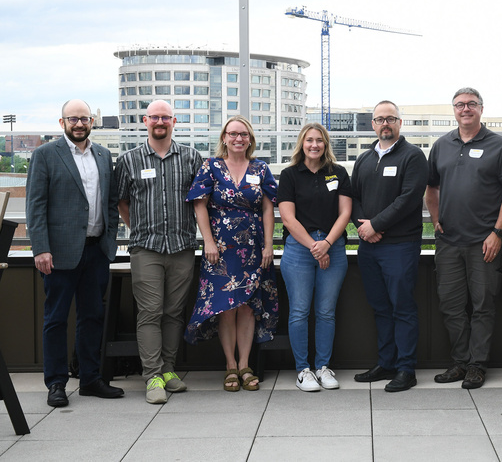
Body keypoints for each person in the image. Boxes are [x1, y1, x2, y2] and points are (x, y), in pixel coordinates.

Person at [26, 99, 124, 407]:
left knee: (92, 317)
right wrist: (41, 248)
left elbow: (110, 203)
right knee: (56, 319)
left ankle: (90, 379)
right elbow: (35, 206)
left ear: (92, 121)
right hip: (58, 254)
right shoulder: (45, 155)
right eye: (73, 119)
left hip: (96, 252)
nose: (79, 124)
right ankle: (56, 383)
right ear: (62, 123)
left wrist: (109, 240)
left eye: (84, 118)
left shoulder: (103, 155)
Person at [425, 88, 502, 389]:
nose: (465, 109)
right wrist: (436, 219)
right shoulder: (441, 145)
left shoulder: (499, 146)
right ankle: (459, 362)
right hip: (449, 242)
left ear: (481, 108)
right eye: (460, 105)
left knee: (483, 306)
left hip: (485, 242)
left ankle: (477, 366)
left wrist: (498, 232)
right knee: (451, 306)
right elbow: (431, 187)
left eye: (471, 104)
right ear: (453, 110)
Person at [115, 100, 203, 404]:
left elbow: (200, 201)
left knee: (174, 312)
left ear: (174, 121)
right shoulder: (129, 160)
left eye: (166, 117)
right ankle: (152, 376)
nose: (160, 122)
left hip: (182, 247)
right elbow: (122, 201)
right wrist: (140, 228)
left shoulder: (191, 157)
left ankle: (168, 370)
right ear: (145, 121)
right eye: (155, 117)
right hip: (146, 249)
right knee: (150, 312)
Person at [185, 116, 279, 392]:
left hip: (253, 248)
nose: (238, 138)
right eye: (233, 134)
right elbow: (199, 205)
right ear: (224, 138)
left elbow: (268, 208)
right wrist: (208, 242)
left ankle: (245, 365)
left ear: (250, 139)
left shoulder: (261, 168)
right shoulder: (211, 166)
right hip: (220, 250)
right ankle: (230, 365)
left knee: (247, 307)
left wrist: (269, 245)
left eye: (244, 134)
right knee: (226, 308)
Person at [351, 100, 428, 393]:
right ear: (373, 124)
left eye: (391, 118)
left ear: (399, 123)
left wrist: (376, 225)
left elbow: (408, 199)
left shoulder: (413, 156)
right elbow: (353, 196)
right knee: (380, 308)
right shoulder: (364, 158)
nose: (385, 123)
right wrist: (364, 228)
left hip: (400, 246)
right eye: (380, 119)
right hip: (369, 247)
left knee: (402, 308)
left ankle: (406, 369)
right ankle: (386, 363)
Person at [278, 123, 352, 392]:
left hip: (333, 246)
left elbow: (345, 213)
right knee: (299, 311)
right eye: (309, 140)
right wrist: (315, 247)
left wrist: (327, 243)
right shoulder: (289, 175)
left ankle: (322, 367)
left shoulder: (338, 173)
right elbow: (288, 218)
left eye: (319, 140)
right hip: (300, 249)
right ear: (302, 143)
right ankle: (303, 370)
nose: (314, 145)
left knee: (326, 312)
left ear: (325, 144)